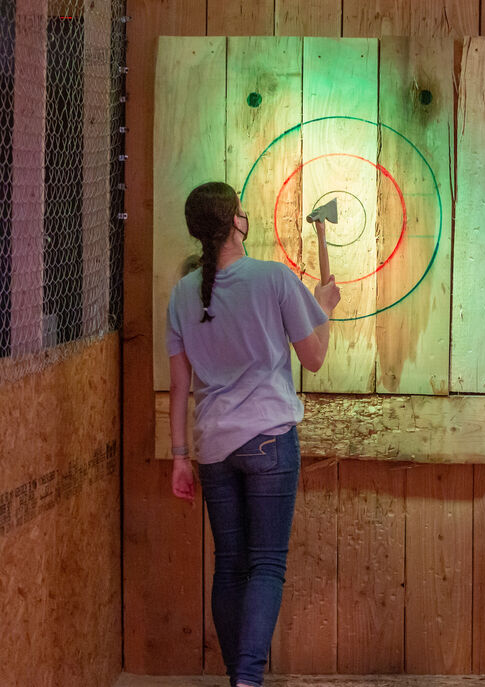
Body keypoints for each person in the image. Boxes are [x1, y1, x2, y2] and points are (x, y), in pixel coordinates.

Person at [166, 181, 340, 687]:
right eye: (241, 212)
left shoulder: (182, 294)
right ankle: (247, 680)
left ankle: (236, 677)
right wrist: (323, 307)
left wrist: (180, 458)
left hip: (213, 449)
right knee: (265, 565)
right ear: (234, 223)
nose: (246, 218)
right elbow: (315, 357)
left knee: (230, 565)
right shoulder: (273, 279)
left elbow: (180, 388)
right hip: (269, 440)